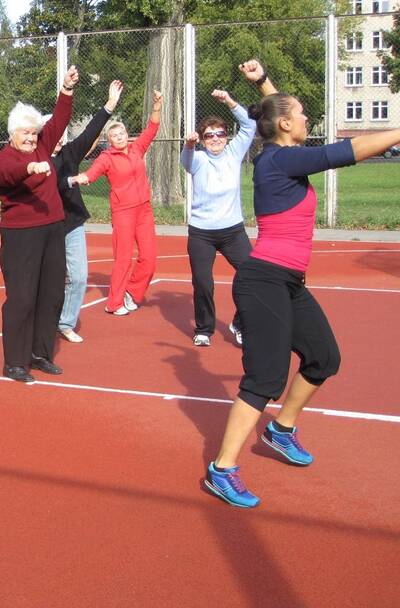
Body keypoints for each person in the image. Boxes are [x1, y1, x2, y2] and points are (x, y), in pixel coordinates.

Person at [203, 67, 400, 509]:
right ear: (286, 125)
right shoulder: (280, 159)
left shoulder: (279, 151)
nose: (307, 119)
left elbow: (279, 113)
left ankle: (280, 429)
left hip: (288, 282)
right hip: (263, 281)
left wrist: (263, 82)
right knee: (265, 377)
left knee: (324, 358)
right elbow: (346, 151)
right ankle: (223, 469)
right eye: (303, 114)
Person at [0, 66, 80, 383]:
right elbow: (7, 176)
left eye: (33, 132)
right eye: (24, 133)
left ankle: (40, 353)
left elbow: (58, 119)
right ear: (12, 134)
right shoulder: (6, 158)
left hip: (53, 229)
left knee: (51, 293)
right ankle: (14, 362)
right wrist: (30, 166)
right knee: (22, 297)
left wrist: (66, 90)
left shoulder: (43, 144)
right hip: (21, 235)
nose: (31, 138)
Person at [181, 62, 273, 347]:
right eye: (209, 135)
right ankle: (204, 329)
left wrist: (230, 101)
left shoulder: (234, 152)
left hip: (232, 230)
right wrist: (189, 144)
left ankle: (240, 323)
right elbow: (186, 160)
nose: (216, 139)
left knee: (253, 276)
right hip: (202, 232)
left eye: (220, 133)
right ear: (203, 139)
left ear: (226, 136)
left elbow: (250, 124)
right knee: (203, 282)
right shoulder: (197, 158)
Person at [77, 89, 163, 316]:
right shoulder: (106, 158)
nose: (120, 137)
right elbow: (92, 174)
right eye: (115, 136)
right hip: (123, 212)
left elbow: (152, 129)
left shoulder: (137, 148)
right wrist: (81, 178)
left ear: (127, 134)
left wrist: (157, 104)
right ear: (109, 140)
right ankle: (113, 303)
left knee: (149, 258)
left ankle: (132, 293)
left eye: (122, 133)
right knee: (123, 259)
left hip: (144, 209)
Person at [51, 79, 125, 343]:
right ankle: (44, 321)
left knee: (79, 277)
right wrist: (70, 181)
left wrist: (110, 105)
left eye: (61, 133)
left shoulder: (70, 153)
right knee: (50, 279)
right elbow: (52, 185)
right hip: (46, 227)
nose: (58, 139)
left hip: (71, 223)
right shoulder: (35, 158)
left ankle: (65, 322)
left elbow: (90, 131)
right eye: (53, 133)